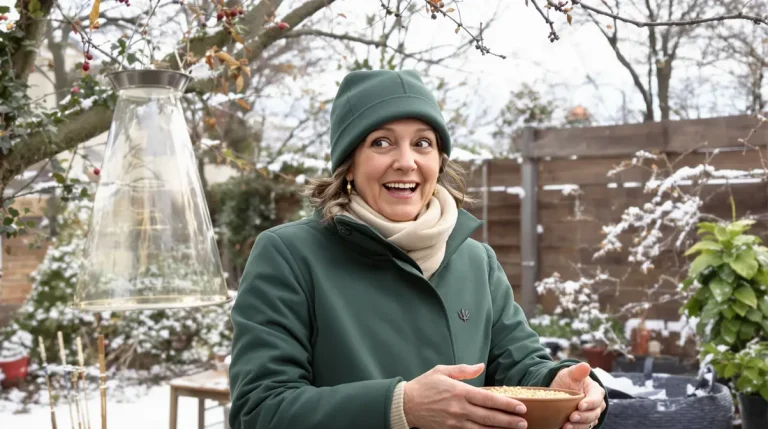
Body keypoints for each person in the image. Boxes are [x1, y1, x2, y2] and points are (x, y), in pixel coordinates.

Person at [228, 69, 609, 429]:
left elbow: (520, 365)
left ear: (438, 160)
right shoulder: (289, 255)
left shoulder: (475, 261)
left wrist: (560, 383)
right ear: (348, 165)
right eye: (381, 142)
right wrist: (401, 406)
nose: (406, 162)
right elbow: (259, 409)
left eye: (422, 143)